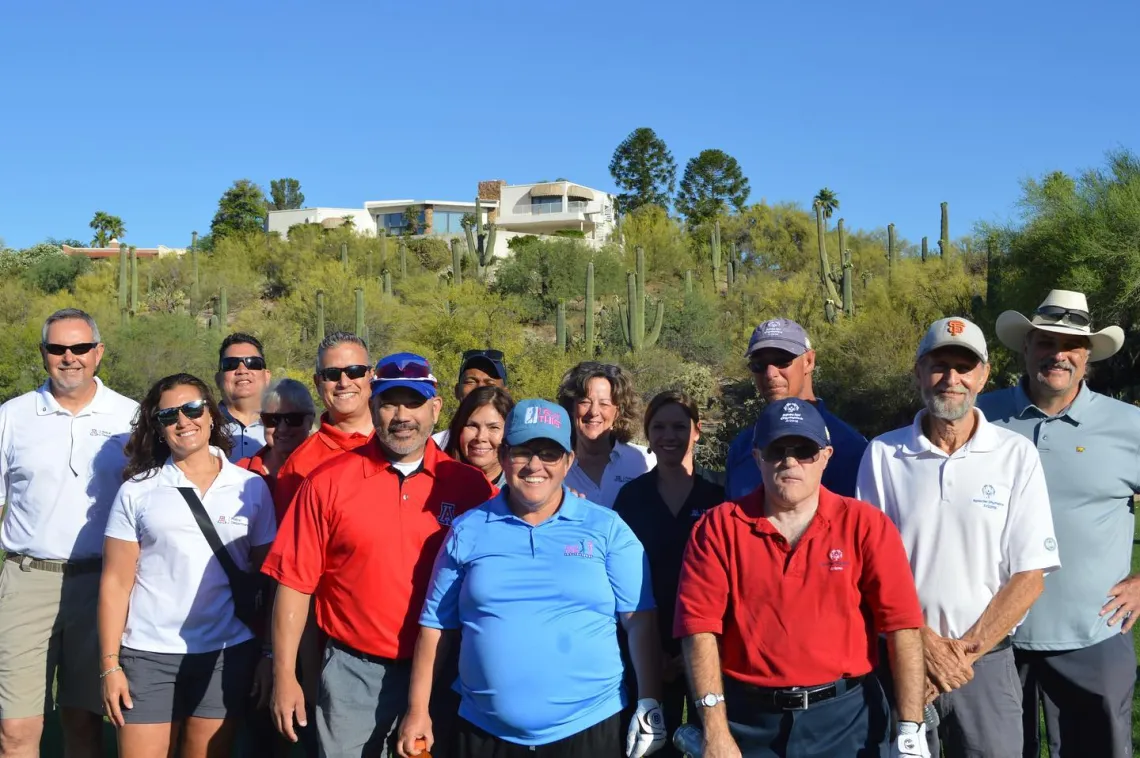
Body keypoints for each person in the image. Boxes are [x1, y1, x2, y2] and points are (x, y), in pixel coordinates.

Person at [398, 399, 667, 758]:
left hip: (590, 726)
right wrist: (418, 710)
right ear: (505, 455)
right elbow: (435, 627)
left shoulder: (607, 529)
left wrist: (650, 703)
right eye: (523, 452)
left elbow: (639, 621)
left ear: (569, 461)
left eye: (549, 454)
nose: (535, 466)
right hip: (484, 731)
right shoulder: (468, 529)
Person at [262, 352, 496, 757]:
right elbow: (295, 584)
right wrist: (285, 674)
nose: (402, 415)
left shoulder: (469, 487)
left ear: (436, 408)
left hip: (446, 670)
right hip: (356, 671)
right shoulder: (327, 482)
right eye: (390, 402)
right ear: (373, 406)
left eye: (414, 402)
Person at [675, 398, 929, 758]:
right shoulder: (718, 527)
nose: (790, 461)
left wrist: (910, 728)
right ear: (757, 456)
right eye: (778, 449)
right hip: (749, 722)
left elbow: (902, 627)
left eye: (805, 450)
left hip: (846, 720)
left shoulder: (866, 525)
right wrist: (715, 732)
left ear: (826, 456)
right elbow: (699, 629)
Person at [857, 317, 1060, 758]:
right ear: (917, 373)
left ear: (983, 375)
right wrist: (924, 648)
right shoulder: (883, 454)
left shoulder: (1014, 454)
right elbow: (867, 571)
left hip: (985, 664)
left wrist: (957, 660)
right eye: (939, 365)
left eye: (964, 367)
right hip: (900, 661)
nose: (951, 379)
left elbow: (1030, 576)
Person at [975, 289, 1140, 758]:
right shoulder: (981, 417)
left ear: (1088, 356)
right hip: (994, 635)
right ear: (1026, 347)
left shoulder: (1129, 425)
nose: (1058, 354)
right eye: (1046, 342)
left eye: (1072, 346)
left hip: (1094, 631)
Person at [98, 373, 276, 758]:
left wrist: (268, 654)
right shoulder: (138, 491)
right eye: (169, 416)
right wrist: (110, 665)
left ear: (212, 415)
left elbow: (267, 581)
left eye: (193, 409)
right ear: (158, 428)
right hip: (148, 653)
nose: (183, 421)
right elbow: (115, 582)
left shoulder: (251, 487)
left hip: (226, 654)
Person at [0, 308, 138, 758]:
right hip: (27, 580)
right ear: (44, 354)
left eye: (80, 348)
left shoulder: (129, 418)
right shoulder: (12, 416)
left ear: (98, 353)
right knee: (16, 729)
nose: (69, 358)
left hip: (102, 585)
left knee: (84, 723)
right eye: (58, 348)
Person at [612, 390, 724, 757]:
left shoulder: (719, 493)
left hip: (711, 645)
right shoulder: (631, 497)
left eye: (679, 426)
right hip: (646, 646)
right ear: (648, 433)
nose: (669, 436)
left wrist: (694, 652)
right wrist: (653, 652)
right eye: (659, 427)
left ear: (697, 431)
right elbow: (619, 576)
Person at [723, 318, 867, 500]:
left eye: (782, 361)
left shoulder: (852, 448)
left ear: (809, 361)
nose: (770, 373)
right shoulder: (742, 447)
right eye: (758, 365)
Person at [273, 331, 375, 521]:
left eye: (355, 371)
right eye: (332, 374)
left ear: (371, 375)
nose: (344, 383)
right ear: (317, 382)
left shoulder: (403, 441)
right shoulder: (300, 465)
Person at [557, 361, 655, 508]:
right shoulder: (553, 465)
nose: (594, 412)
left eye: (604, 404)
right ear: (571, 407)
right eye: (585, 402)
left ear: (618, 411)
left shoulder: (644, 462)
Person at [236, 378, 317, 496]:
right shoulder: (240, 472)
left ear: (310, 421)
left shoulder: (325, 469)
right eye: (272, 419)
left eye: (293, 419)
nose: (282, 428)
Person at [432, 348, 508, 449]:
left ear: (505, 393)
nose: (480, 388)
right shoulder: (437, 445)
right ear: (457, 391)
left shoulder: (517, 444)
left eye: (490, 383)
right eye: (470, 382)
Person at [443, 386, 515, 488]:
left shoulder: (519, 493)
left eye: (493, 427)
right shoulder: (437, 484)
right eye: (472, 425)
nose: (480, 437)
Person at [216, 333, 272, 463]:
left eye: (253, 363)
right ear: (218, 379)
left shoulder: (289, 427)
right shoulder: (202, 428)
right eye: (230, 364)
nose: (242, 370)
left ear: (267, 376)